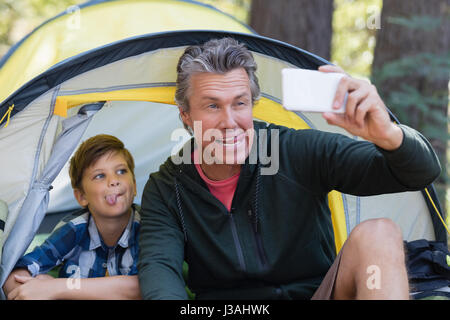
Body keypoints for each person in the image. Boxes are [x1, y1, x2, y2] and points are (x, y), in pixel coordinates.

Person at [137, 38, 441, 300]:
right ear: (186, 115)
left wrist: (387, 134)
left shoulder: (295, 151)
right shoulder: (166, 189)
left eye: (240, 103)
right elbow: (160, 278)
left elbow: (419, 173)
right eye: (213, 106)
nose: (230, 121)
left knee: (380, 232)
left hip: (317, 294)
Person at [3, 134, 141, 300]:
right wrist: (31, 289)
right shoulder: (75, 228)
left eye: (121, 171)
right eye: (100, 176)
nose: (113, 181)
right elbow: (16, 273)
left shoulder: (149, 227)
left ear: (134, 186)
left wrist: (56, 287)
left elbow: (143, 286)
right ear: (81, 196)